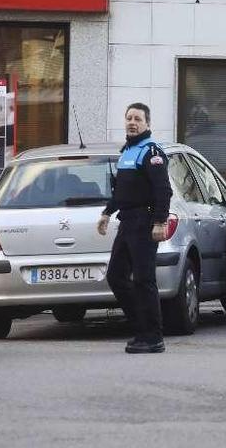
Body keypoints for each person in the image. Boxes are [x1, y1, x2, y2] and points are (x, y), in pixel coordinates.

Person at [97, 103, 173, 354]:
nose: (132, 122)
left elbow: (163, 190)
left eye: (137, 119)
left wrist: (160, 222)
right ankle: (141, 328)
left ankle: (153, 336)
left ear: (147, 124)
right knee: (116, 276)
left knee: (143, 280)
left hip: (145, 222)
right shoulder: (126, 152)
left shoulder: (151, 152)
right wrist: (107, 212)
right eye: (128, 118)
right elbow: (122, 192)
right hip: (127, 222)